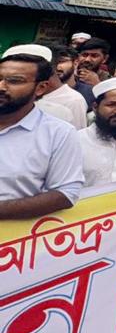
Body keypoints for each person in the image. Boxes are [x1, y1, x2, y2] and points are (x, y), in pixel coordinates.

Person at [0, 48, 83, 218]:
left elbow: (66, 194)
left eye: (14, 81)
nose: (1, 87)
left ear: (41, 88)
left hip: (15, 238)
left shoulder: (59, 133)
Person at [42, 46, 88, 129]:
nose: (58, 67)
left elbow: (75, 135)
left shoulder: (74, 100)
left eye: (62, 61)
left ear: (76, 62)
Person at [73, 38, 112, 105]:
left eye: (94, 56)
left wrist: (97, 84)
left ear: (105, 59)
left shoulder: (109, 80)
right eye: (84, 55)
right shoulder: (68, 74)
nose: (87, 59)